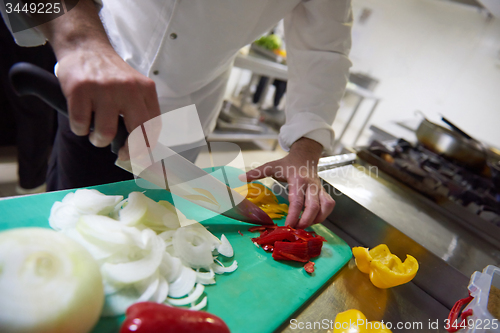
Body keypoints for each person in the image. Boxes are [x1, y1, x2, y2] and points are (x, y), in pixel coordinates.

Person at [1, 0, 352, 229]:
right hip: (95, 78)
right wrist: (78, 38)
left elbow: (325, 49)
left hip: (187, 113)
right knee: (71, 211)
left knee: (161, 225)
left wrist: (306, 149)